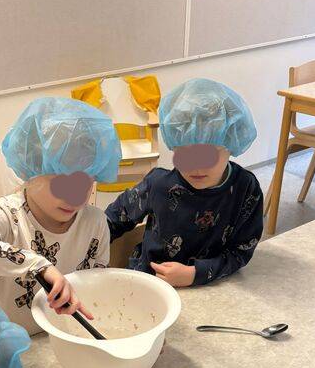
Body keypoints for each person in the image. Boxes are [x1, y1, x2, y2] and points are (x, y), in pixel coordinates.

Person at [0, 97, 122, 335]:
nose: (74, 197)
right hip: (9, 339)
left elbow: (96, 285)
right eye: (62, 185)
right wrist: (38, 266)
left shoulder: (95, 222)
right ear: (30, 175)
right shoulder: (5, 215)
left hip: (65, 335)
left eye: (83, 184)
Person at [106, 78, 263, 287]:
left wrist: (195, 273)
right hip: (148, 283)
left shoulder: (246, 189)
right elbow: (111, 220)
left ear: (231, 144)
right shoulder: (158, 184)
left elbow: (242, 250)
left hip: (210, 287)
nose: (196, 166)